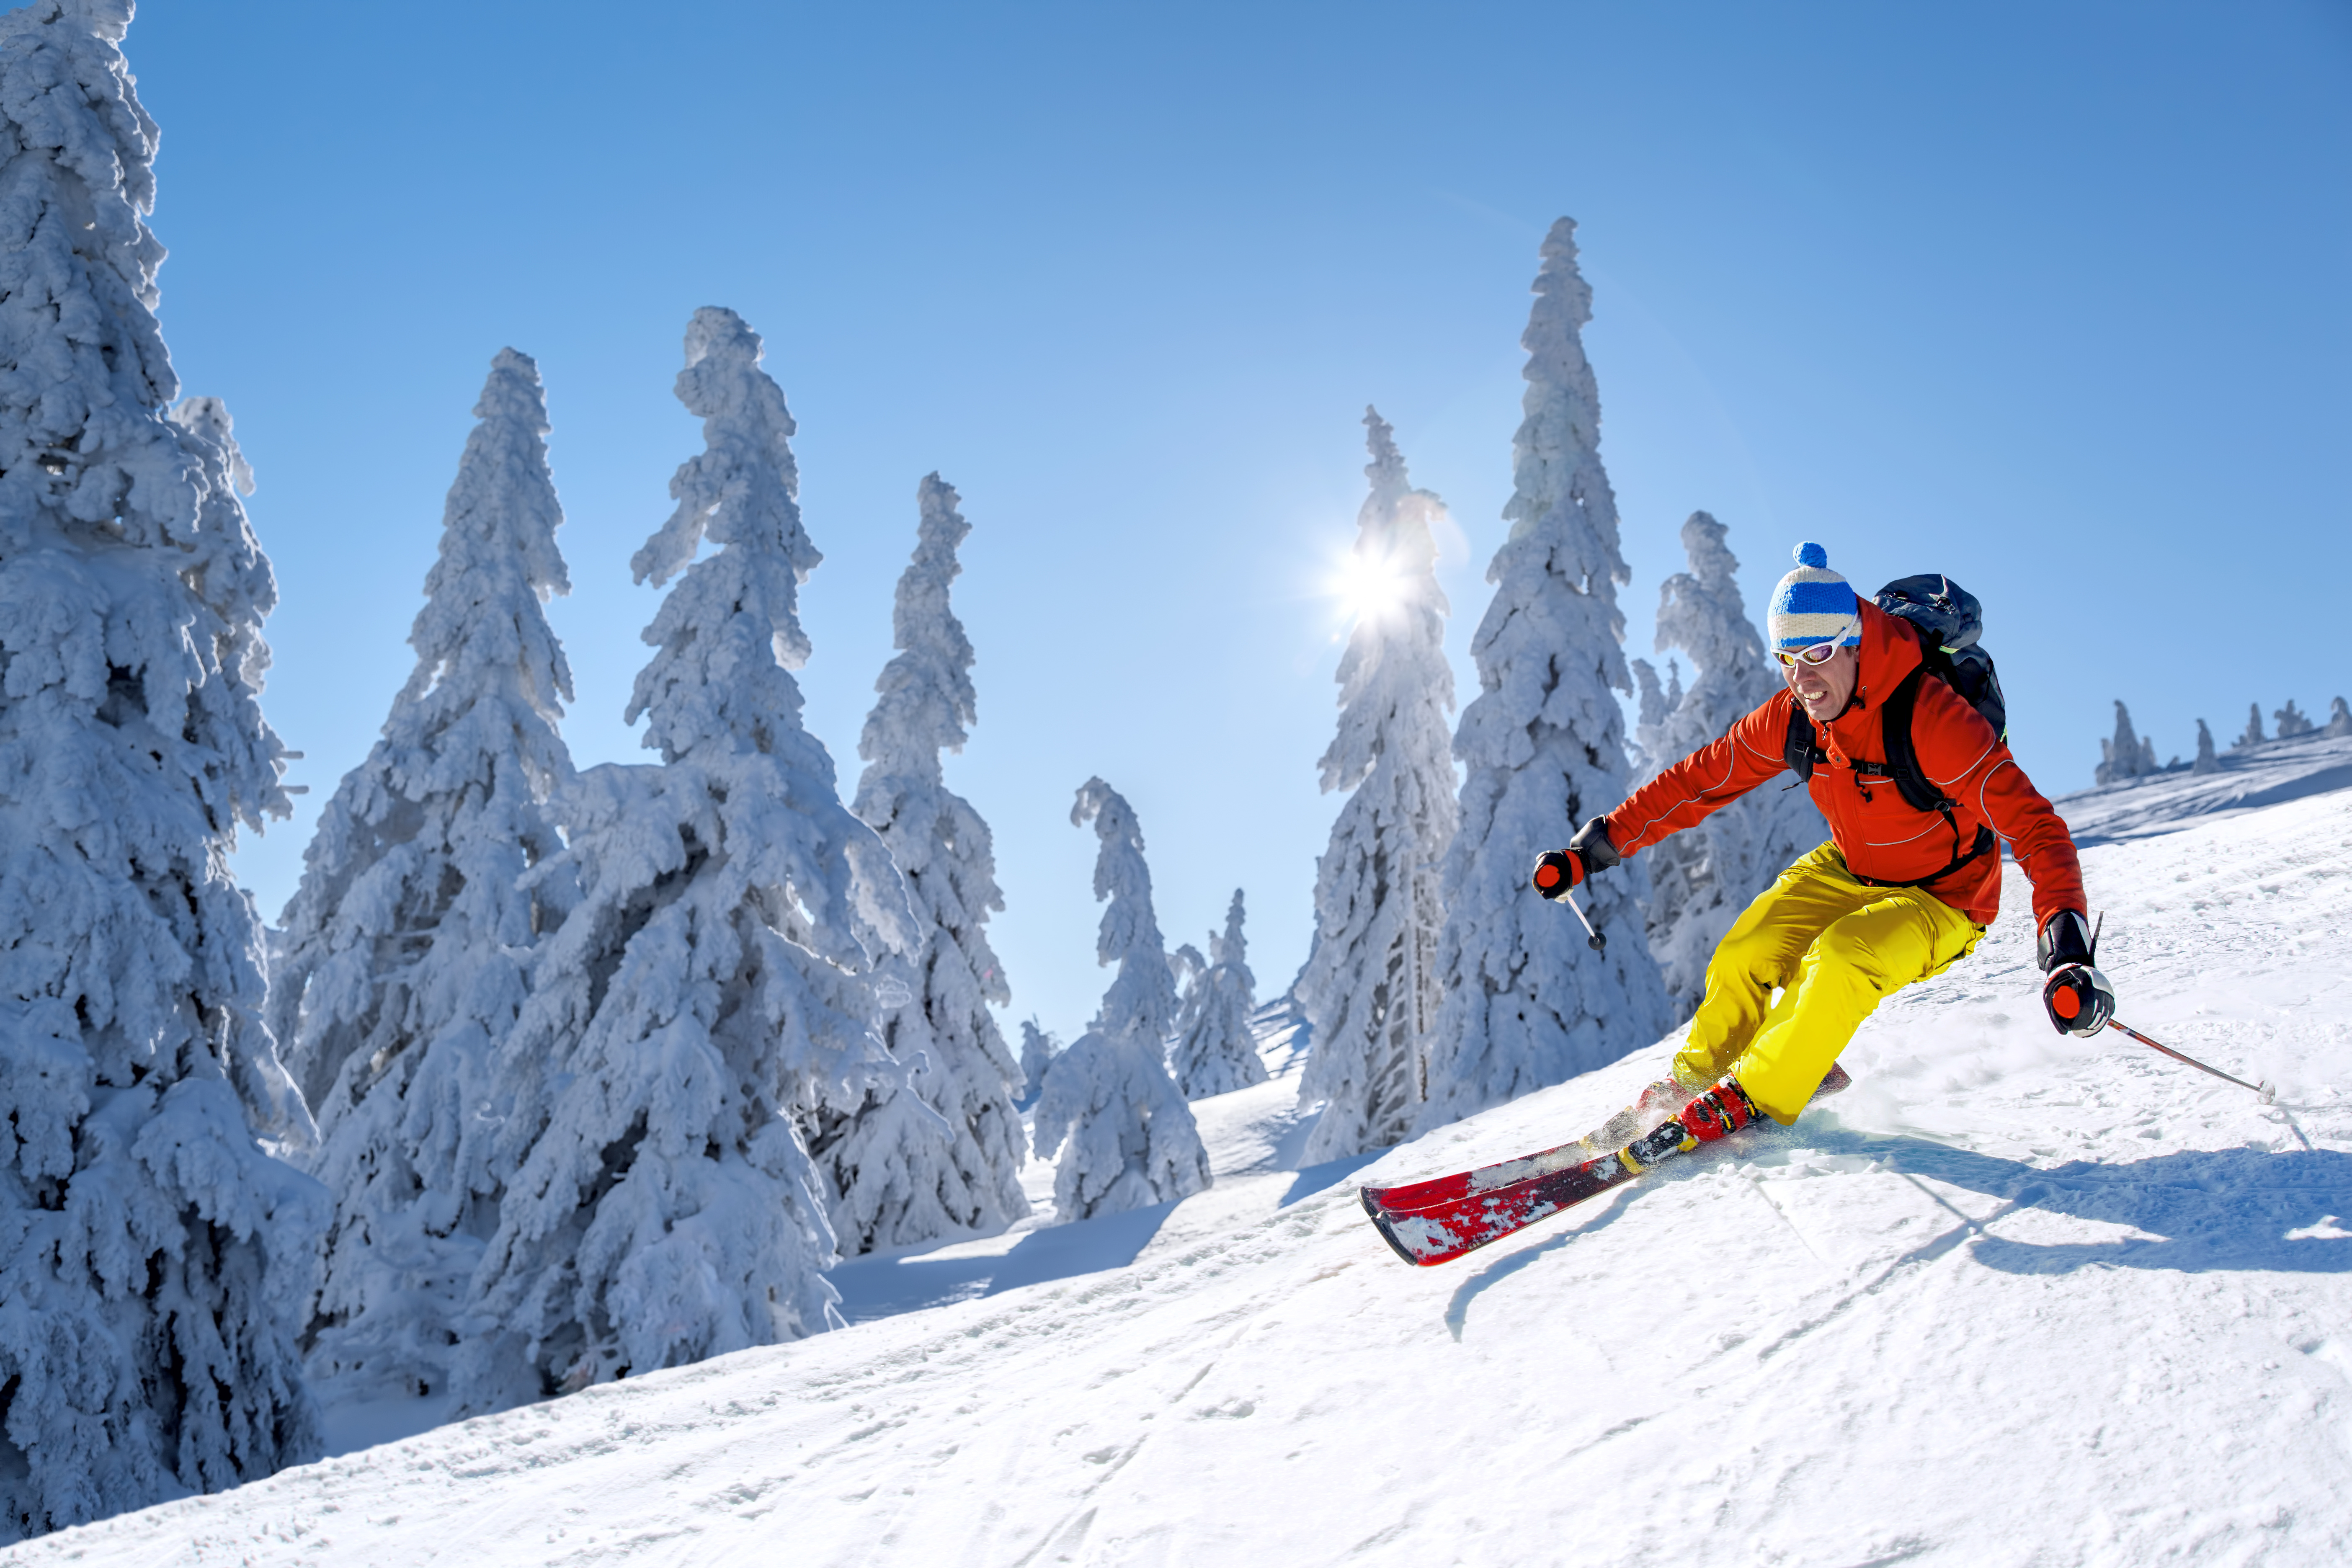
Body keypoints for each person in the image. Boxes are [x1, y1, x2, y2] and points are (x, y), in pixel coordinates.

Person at [1529, 542, 2114, 1158]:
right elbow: (1699, 781)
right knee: (1745, 951)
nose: (1803, 679)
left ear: (1856, 641)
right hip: (1851, 868)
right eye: (1788, 659)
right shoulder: (1796, 717)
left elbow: (2036, 827)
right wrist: (1595, 848)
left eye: (1819, 654)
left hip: (1945, 895)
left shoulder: (1932, 719)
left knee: (1842, 957)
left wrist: (2065, 947)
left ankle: (1757, 1095)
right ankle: (1695, 1082)